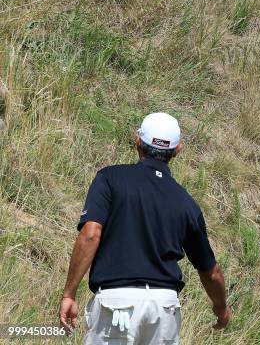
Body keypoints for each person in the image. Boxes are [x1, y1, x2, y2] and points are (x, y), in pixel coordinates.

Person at [59, 112, 232, 344]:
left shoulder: (110, 179)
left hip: (116, 303)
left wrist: (69, 293)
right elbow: (211, 273)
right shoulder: (186, 203)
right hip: (164, 309)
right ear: (177, 151)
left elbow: (90, 235)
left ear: (138, 142)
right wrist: (221, 308)